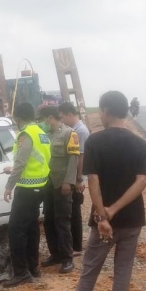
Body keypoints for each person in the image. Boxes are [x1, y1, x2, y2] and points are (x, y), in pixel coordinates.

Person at [64, 91, 146, 291]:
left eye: (100, 111)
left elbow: (93, 179)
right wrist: (114, 210)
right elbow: (142, 181)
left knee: (89, 272)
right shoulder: (141, 145)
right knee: (122, 275)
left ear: (105, 111)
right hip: (132, 220)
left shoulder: (95, 141)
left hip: (102, 224)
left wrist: (104, 215)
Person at [2, 102, 52, 288]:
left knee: (16, 229)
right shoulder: (40, 133)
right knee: (31, 227)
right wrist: (14, 169)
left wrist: (9, 186)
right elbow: (37, 160)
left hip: (27, 189)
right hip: (40, 186)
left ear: (18, 118)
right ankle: (33, 268)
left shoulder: (25, 134)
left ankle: (21, 272)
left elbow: (22, 162)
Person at [38, 106, 80, 273]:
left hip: (62, 184)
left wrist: (68, 182)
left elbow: (73, 159)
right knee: (49, 221)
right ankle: (55, 254)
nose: (42, 122)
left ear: (49, 118)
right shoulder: (45, 135)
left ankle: (67, 258)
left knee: (63, 222)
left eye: (43, 119)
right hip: (47, 183)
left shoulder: (69, 134)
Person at [58, 101, 91, 255]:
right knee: (72, 211)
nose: (62, 120)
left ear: (70, 114)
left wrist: (79, 179)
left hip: (76, 178)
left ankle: (77, 247)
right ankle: (74, 245)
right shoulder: (74, 130)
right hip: (74, 177)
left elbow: (81, 157)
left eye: (63, 117)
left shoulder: (80, 131)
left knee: (75, 212)